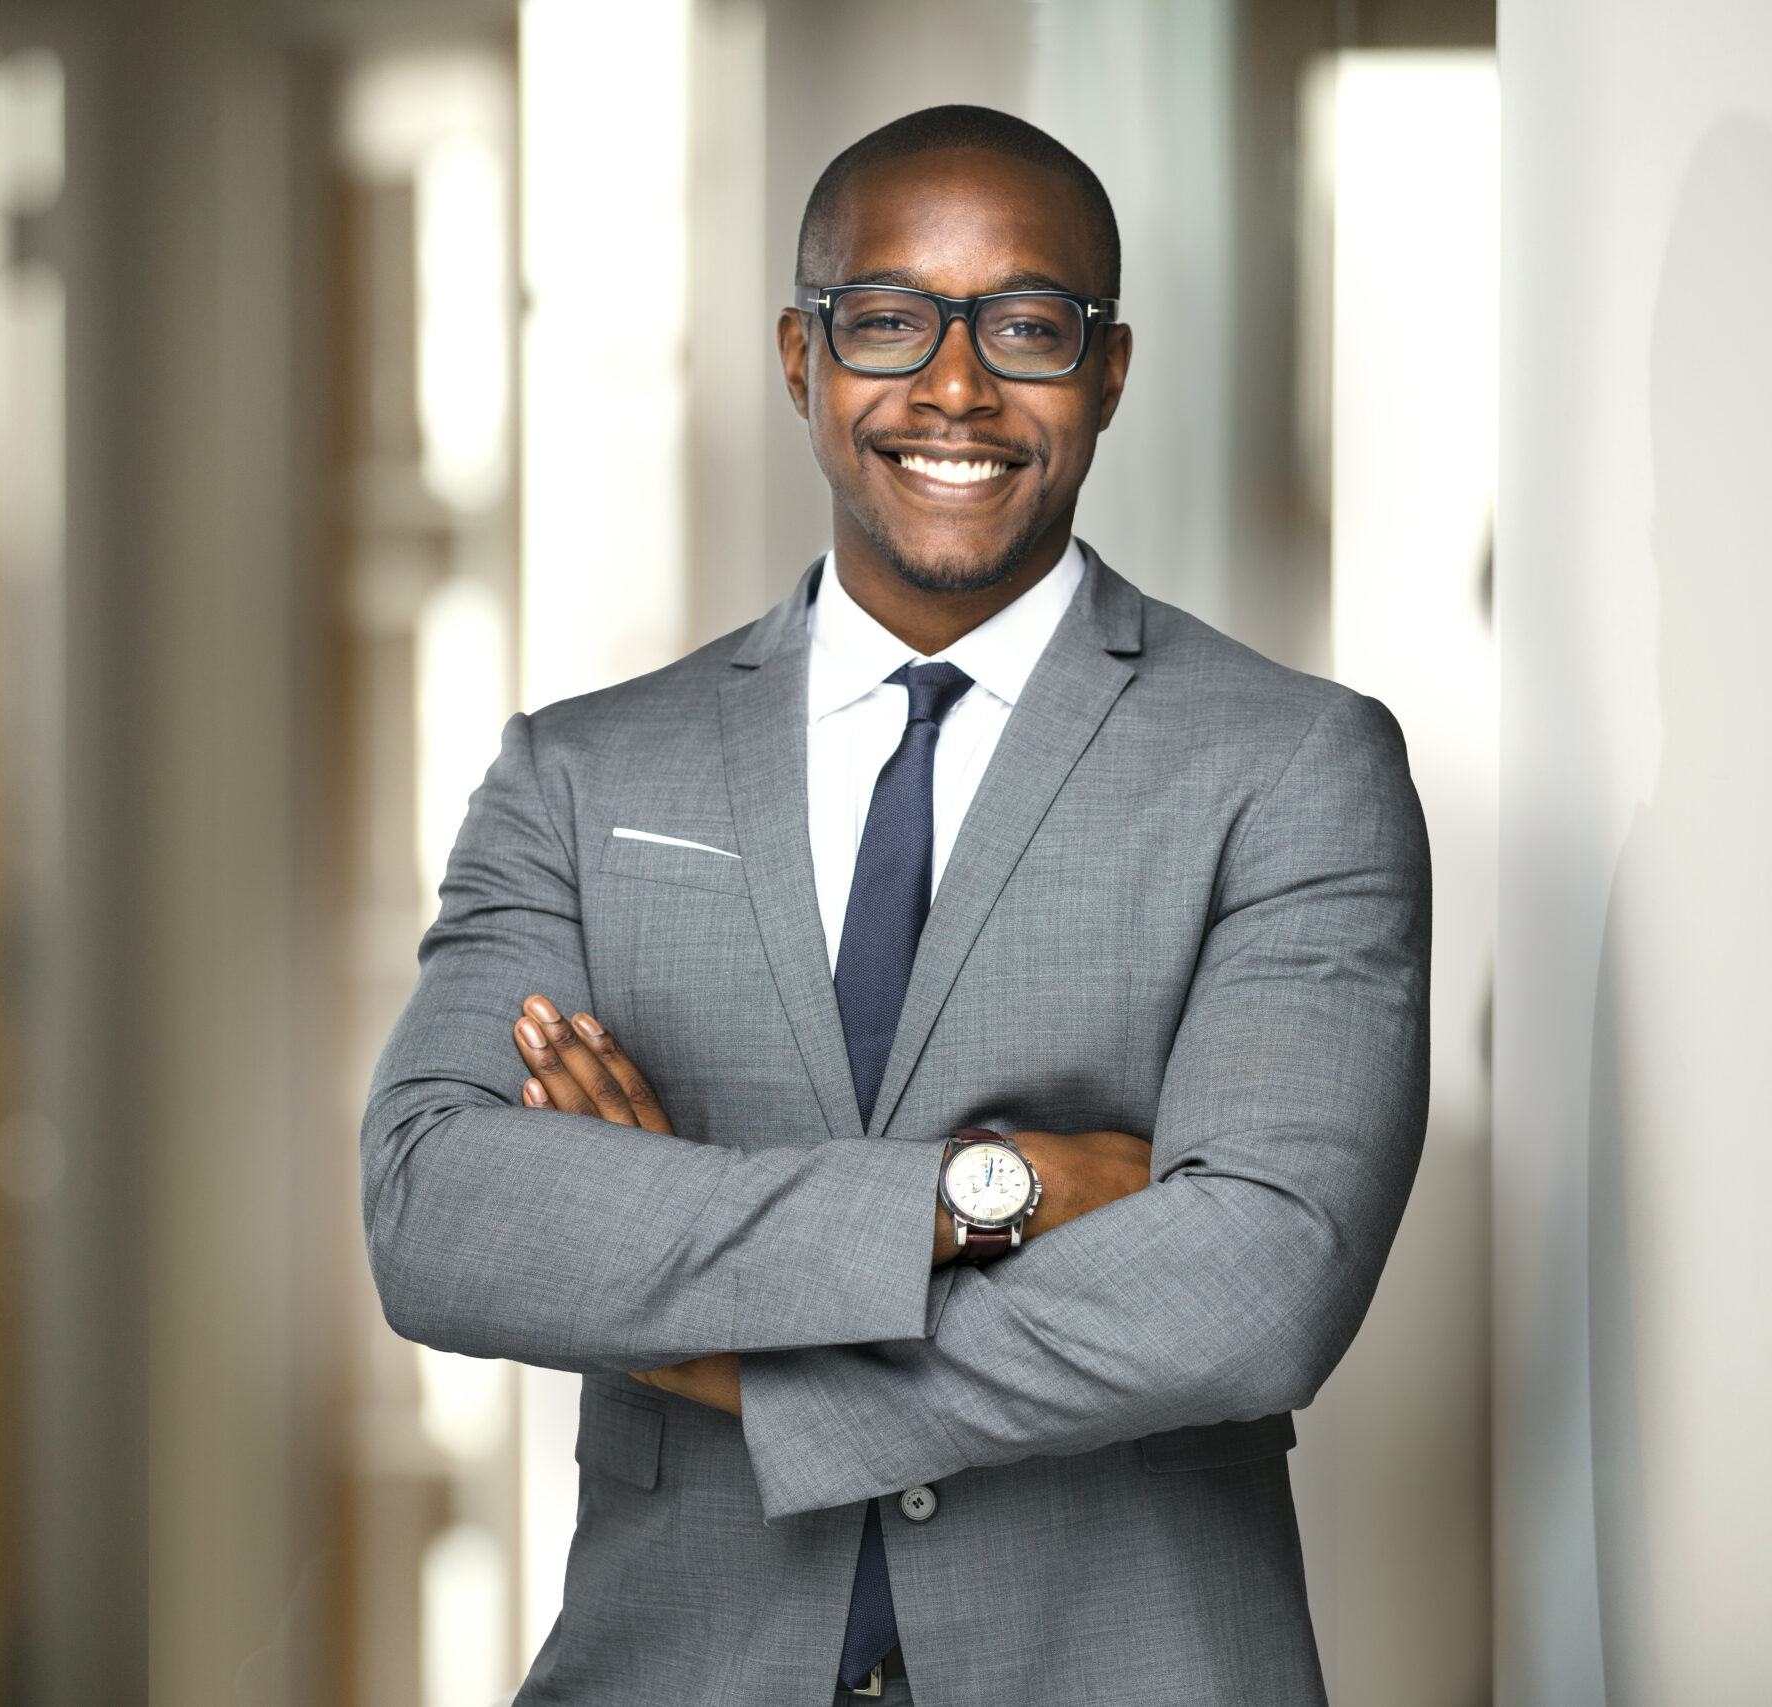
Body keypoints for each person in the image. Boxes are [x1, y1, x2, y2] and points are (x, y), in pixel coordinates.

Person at [363, 105, 1429, 1705]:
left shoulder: (1292, 765)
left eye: (1025, 325)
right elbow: (440, 1211)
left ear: (1110, 371)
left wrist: (701, 1337)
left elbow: (1258, 1285)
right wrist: (983, 1190)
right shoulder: (582, 775)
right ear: (801, 359)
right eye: (886, 321)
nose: (952, 385)